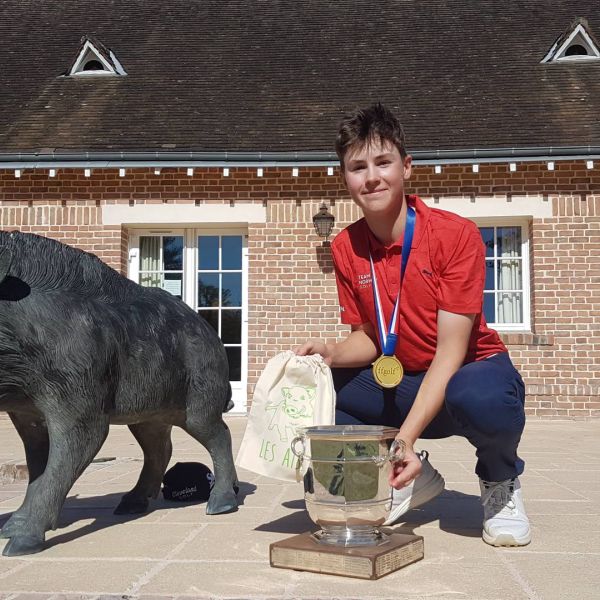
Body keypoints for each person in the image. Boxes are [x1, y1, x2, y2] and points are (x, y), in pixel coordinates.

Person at [296, 103, 530, 547]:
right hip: (404, 377)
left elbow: (450, 352)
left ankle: (500, 482)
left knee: (481, 397)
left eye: (383, 163)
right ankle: (403, 479)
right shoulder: (345, 246)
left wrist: (404, 438)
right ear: (344, 177)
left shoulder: (454, 235)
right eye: (357, 167)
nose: (371, 178)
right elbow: (369, 336)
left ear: (406, 167)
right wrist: (331, 352)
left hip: (467, 372)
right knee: (319, 384)